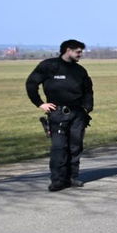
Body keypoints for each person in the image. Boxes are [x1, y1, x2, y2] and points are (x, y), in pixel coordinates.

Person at [26, 39, 95, 192]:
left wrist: (88, 107)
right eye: (78, 52)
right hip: (57, 113)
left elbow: (88, 90)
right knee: (59, 147)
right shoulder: (49, 66)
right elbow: (31, 84)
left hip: (77, 114)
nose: (80, 54)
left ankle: (72, 177)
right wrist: (40, 103)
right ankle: (58, 180)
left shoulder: (80, 70)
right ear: (68, 50)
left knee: (75, 147)